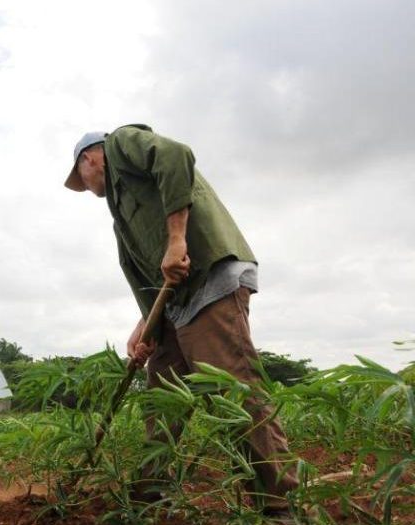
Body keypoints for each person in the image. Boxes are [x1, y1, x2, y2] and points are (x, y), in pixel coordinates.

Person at [64, 124, 299, 520]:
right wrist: (146, 329)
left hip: (208, 280)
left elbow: (176, 156)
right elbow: (146, 279)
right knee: (163, 397)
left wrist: (177, 240)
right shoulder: (120, 214)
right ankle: (150, 493)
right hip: (175, 304)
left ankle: (276, 505)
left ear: (89, 158)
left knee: (234, 392)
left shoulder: (122, 144)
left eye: (80, 180)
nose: (85, 188)